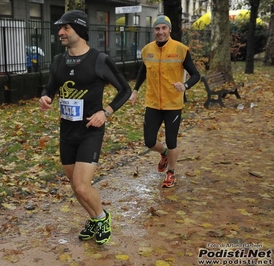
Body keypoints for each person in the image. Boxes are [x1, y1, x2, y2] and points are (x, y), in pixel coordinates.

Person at [39, 10, 131, 245]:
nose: (60, 32)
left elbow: (125, 90)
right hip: (67, 132)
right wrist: (45, 97)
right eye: (60, 28)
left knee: (81, 185)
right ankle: (93, 219)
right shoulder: (59, 60)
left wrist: (106, 112)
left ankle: (102, 217)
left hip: (91, 130)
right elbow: (50, 87)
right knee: (75, 186)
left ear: (79, 30)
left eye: (66, 28)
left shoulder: (99, 60)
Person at [129, 15, 200, 188]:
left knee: (172, 139)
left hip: (172, 104)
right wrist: (135, 90)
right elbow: (142, 71)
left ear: (169, 30)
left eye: (163, 28)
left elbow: (196, 75)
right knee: (149, 141)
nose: (160, 32)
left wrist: (185, 85)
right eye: (157, 28)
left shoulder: (181, 49)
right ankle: (164, 153)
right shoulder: (147, 50)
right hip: (153, 103)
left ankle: (171, 173)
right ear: (154, 30)